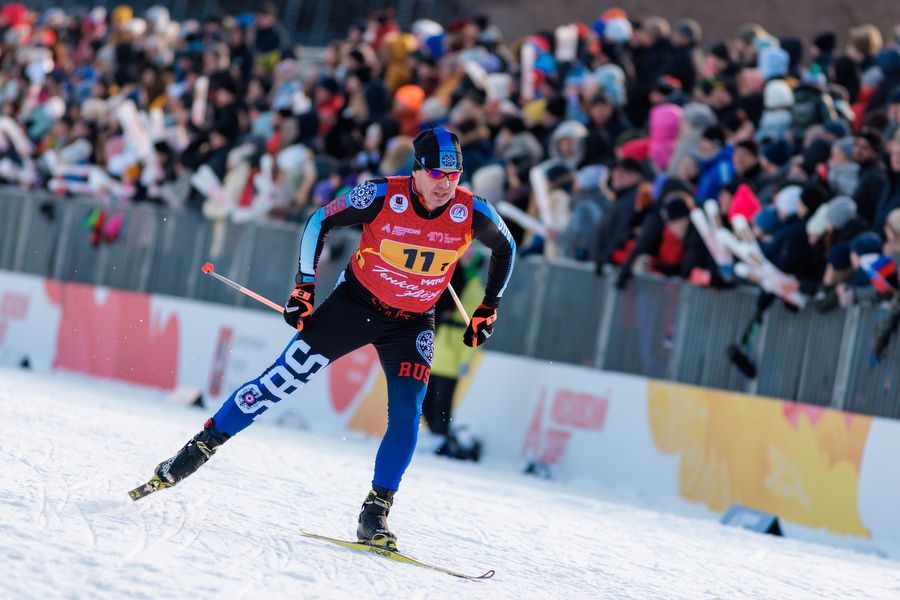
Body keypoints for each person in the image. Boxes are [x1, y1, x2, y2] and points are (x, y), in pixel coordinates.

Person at [139, 128, 516, 551]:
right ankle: (193, 453)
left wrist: (489, 306)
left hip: (411, 324)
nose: (447, 183)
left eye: (455, 174)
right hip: (353, 307)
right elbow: (320, 219)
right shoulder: (381, 195)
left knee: (408, 414)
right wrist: (304, 287)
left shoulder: (471, 211)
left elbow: (507, 247)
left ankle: (375, 512)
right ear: (417, 170)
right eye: (438, 173)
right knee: (279, 381)